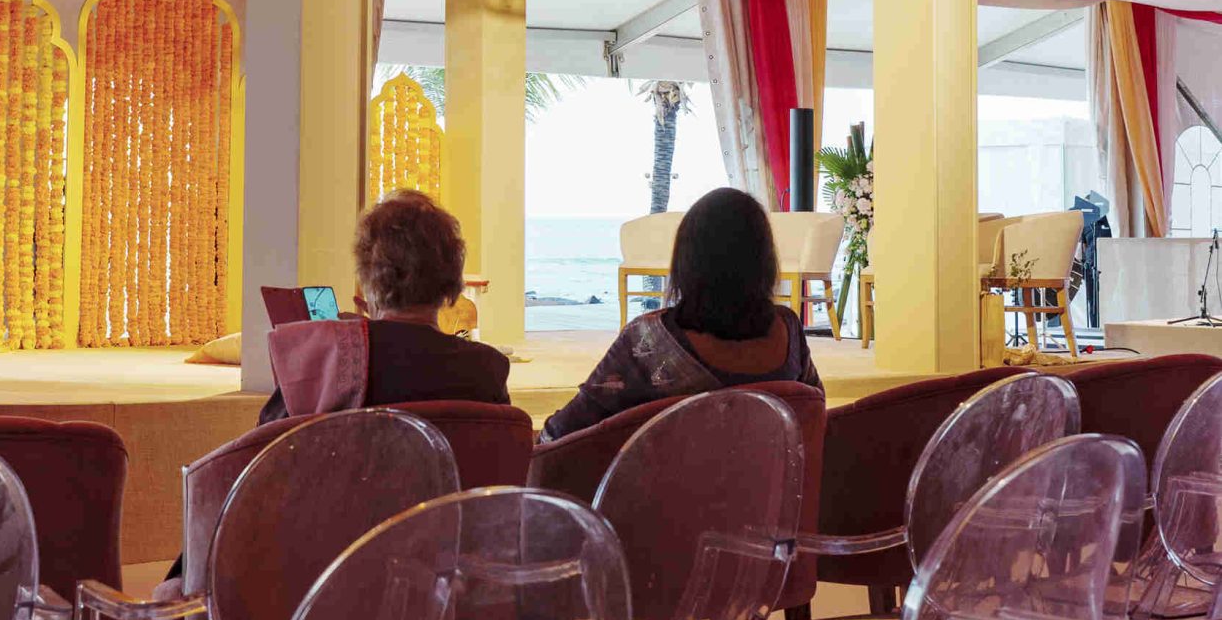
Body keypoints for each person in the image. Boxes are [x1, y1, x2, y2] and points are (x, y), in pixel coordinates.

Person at [540, 184, 820, 443]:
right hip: (769, 493)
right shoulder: (789, 329)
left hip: (666, 496)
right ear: (765, 262)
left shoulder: (647, 339)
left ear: (686, 261)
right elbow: (814, 412)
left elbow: (562, 433)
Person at [257, 189, 511, 423]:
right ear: (452, 284)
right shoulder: (489, 370)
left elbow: (263, 453)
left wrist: (355, 340)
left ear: (369, 280)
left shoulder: (325, 360)